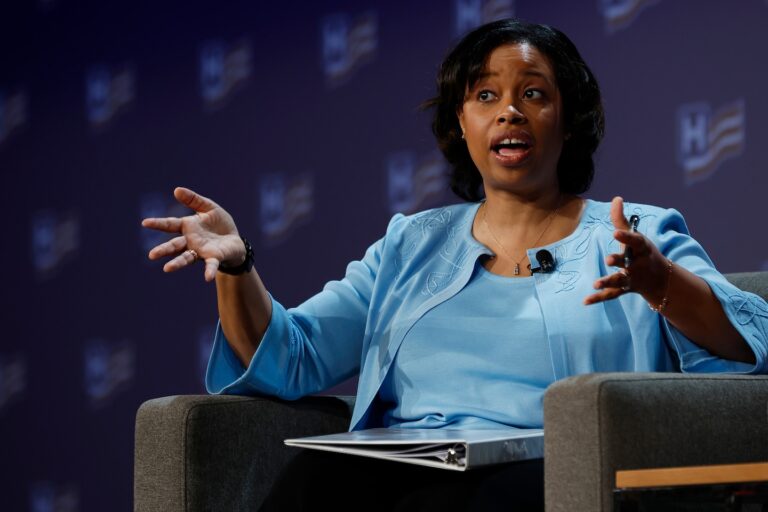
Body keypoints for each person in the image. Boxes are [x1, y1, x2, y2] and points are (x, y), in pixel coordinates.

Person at [142, 17, 767, 511]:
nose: (509, 111)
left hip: (555, 469)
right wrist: (237, 267)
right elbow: (292, 356)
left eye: (533, 94)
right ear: (462, 126)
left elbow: (752, 344)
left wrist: (661, 284)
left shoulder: (638, 233)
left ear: (569, 121)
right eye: (485, 96)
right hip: (411, 464)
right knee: (316, 479)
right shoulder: (410, 246)